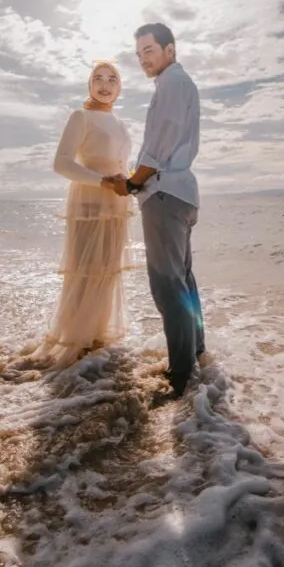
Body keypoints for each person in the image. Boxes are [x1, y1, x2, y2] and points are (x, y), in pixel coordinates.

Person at [105, 23, 204, 398]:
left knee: (168, 286)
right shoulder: (181, 83)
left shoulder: (171, 83)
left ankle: (180, 376)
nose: (144, 59)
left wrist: (130, 183)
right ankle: (195, 353)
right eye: (139, 54)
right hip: (182, 193)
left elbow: (158, 145)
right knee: (184, 280)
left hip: (164, 193)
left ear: (170, 50)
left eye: (150, 50)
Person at [30, 60, 132, 370]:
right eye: (98, 78)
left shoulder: (121, 124)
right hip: (89, 203)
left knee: (107, 272)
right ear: (89, 85)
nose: (105, 84)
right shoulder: (81, 117)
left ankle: (96, 342)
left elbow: (122, 165)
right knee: (85, 272)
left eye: (112, 78)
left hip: (116, 206)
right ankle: (74, 345)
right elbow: (61, 164)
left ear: (119, 86)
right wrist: (102, 181)